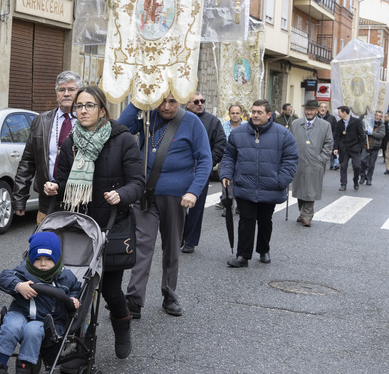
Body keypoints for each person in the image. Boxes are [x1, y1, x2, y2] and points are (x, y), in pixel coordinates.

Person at [47, 85, 145, 356]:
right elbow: (64, 180)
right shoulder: (71, 142)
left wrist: (121, 194)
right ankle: (81, 344)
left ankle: (122, 325)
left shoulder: (124, 140)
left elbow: (138, 182)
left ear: (103, 110)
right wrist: (55, 187)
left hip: (111, 225)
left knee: (112, 291)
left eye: (89, 105)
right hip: (79, 227)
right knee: (79, 288)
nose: (83, 111)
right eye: (79, 106)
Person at [119, 93, 212, 319]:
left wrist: (193, 191)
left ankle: (169, 295)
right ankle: (134, 298)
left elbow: (205, 159)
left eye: (172, 101)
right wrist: (138, 100)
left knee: (171, 247)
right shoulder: (147, 116)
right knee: (141, 246)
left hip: (176, 196)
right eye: (162, 101)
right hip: (145, 194)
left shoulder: (191, 122)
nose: (167, 107)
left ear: (180, 101)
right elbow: (120, 127)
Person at [0, 231, 81, 374]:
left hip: (45, 321)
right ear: (31, 259)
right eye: (38, 259)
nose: (43, 264)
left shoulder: (66, 276)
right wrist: (19, 285)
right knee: (10, 326)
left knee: (33, 330)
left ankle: (23, 370)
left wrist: (73, 298)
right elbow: (3, 277)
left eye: (48, 259)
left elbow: (75, 289)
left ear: (57, 259)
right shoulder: (23, 272)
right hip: (20, 312)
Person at [220, 100, 299, 267]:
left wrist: (282, 181)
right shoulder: (238, 133)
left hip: (270, 186)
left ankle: (263, 250)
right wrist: (226, 173)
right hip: (245, 184)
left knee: (265, 220)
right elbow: (229, 156)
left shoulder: (283, 134)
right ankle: (243, 256)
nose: (255, 115)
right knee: (246, 220)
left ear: (269, 115)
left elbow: (290, 159)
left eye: (259, 112)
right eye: (253, 111)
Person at [13, 71, 81, 222]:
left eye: (71, 89)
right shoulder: (41, 121)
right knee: (45, 243)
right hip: (47, 200)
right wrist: (19, 197)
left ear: (80, 93)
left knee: (73, 244)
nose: (66, 94)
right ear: (56, 93)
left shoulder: (86, 121)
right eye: (62, 90)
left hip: (78, 201)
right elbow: (27, 162)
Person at [181, 91, 227, 254]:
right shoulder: (178, 118)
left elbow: (220, 144)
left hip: (200, 171)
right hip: (179, 171)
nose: (200, 104)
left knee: (196, 208)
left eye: (202, 101)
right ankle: (178, 236)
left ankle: (190, 241)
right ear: (187, 104)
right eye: (196, 102)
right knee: (177, 207)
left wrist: (208, 163)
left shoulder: (212, 121)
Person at [289, 98, 334, 228]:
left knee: (311, 189)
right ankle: (302, 212)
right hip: (299, 162)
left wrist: (322, 158)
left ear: (317, 110)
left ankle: (307, 216)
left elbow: (329, 143)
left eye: (312, 110)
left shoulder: (325, 125)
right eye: (307, 109)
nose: (309, 112)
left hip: (315, 162)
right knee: (299, 188)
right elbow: (290, 141)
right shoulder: (296, 123)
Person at [334, 105, 366, 191]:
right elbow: (337, 137)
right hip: (344, 148)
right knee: (343, 166)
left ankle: (355, 181)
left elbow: (362, 136)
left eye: (339, 113)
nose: (338, 114)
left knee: (357, 166)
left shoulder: (356, 121)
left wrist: (360, 147)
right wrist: (336, 148)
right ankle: (343, 184)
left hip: (355, 147)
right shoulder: (339, 123)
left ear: (345, 112)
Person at [363, 110, 388, 185]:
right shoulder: (369, 122)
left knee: (371, 164)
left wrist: (372, 133)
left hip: (375, 146)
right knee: (362, 160)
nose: (378, 117)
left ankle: (369, 178)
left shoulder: (382, 125)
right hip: (366, 145)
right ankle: (362, 175)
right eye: (377, 115)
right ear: (375, 115)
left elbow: (381, 135)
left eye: (380, 116)